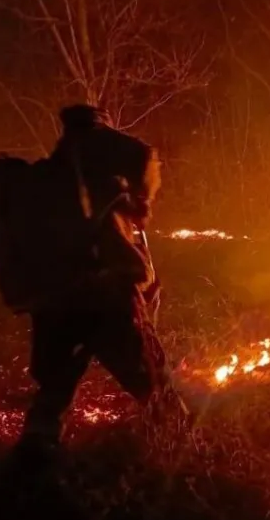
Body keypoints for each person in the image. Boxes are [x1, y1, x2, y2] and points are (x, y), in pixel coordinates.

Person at [13, 104, 188, 465]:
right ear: (97, 123)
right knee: (150, 378)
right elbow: (145, 157)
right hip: (105, 295)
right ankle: (186, 452)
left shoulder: (49, 174)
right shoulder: (100, 147)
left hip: (57, 299)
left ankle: (34, 461)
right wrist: (142, 202)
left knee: (54, 389)